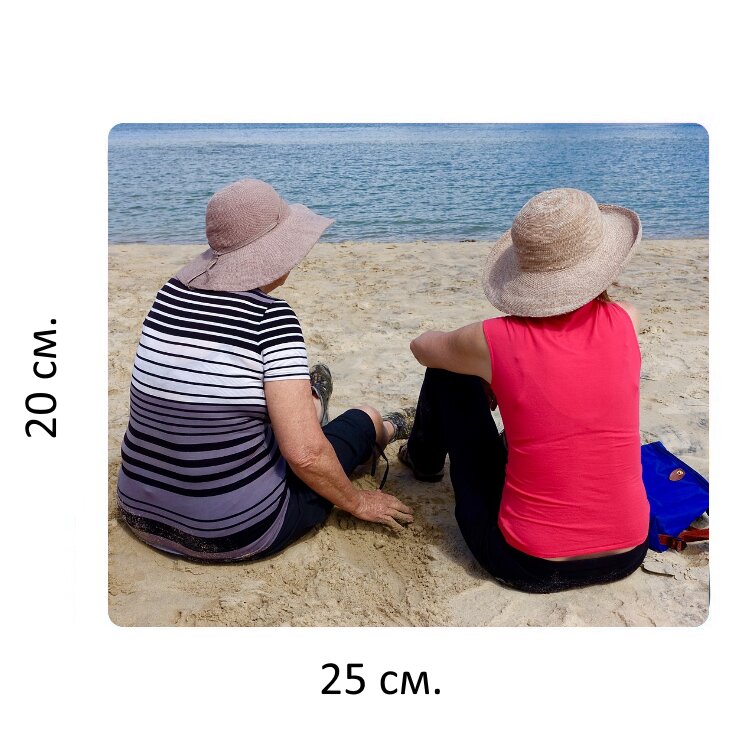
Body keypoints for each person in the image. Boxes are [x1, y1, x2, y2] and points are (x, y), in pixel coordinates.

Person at [117, 178, 414, 561]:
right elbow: (305, 455)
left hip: (138, 512)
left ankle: (313, 400)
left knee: (260, 415)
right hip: (235, 531)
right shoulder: (270, 319)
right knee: (361, 418)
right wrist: (358, 502)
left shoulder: (169, 294)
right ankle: (386, 426)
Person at [399, 188, 650, 593]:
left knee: (447, 373)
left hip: (527, 562)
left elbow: (421, 347)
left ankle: (424, 460)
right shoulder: (627, 320)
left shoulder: (492, 339)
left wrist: (483, 371)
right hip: (629, 552)